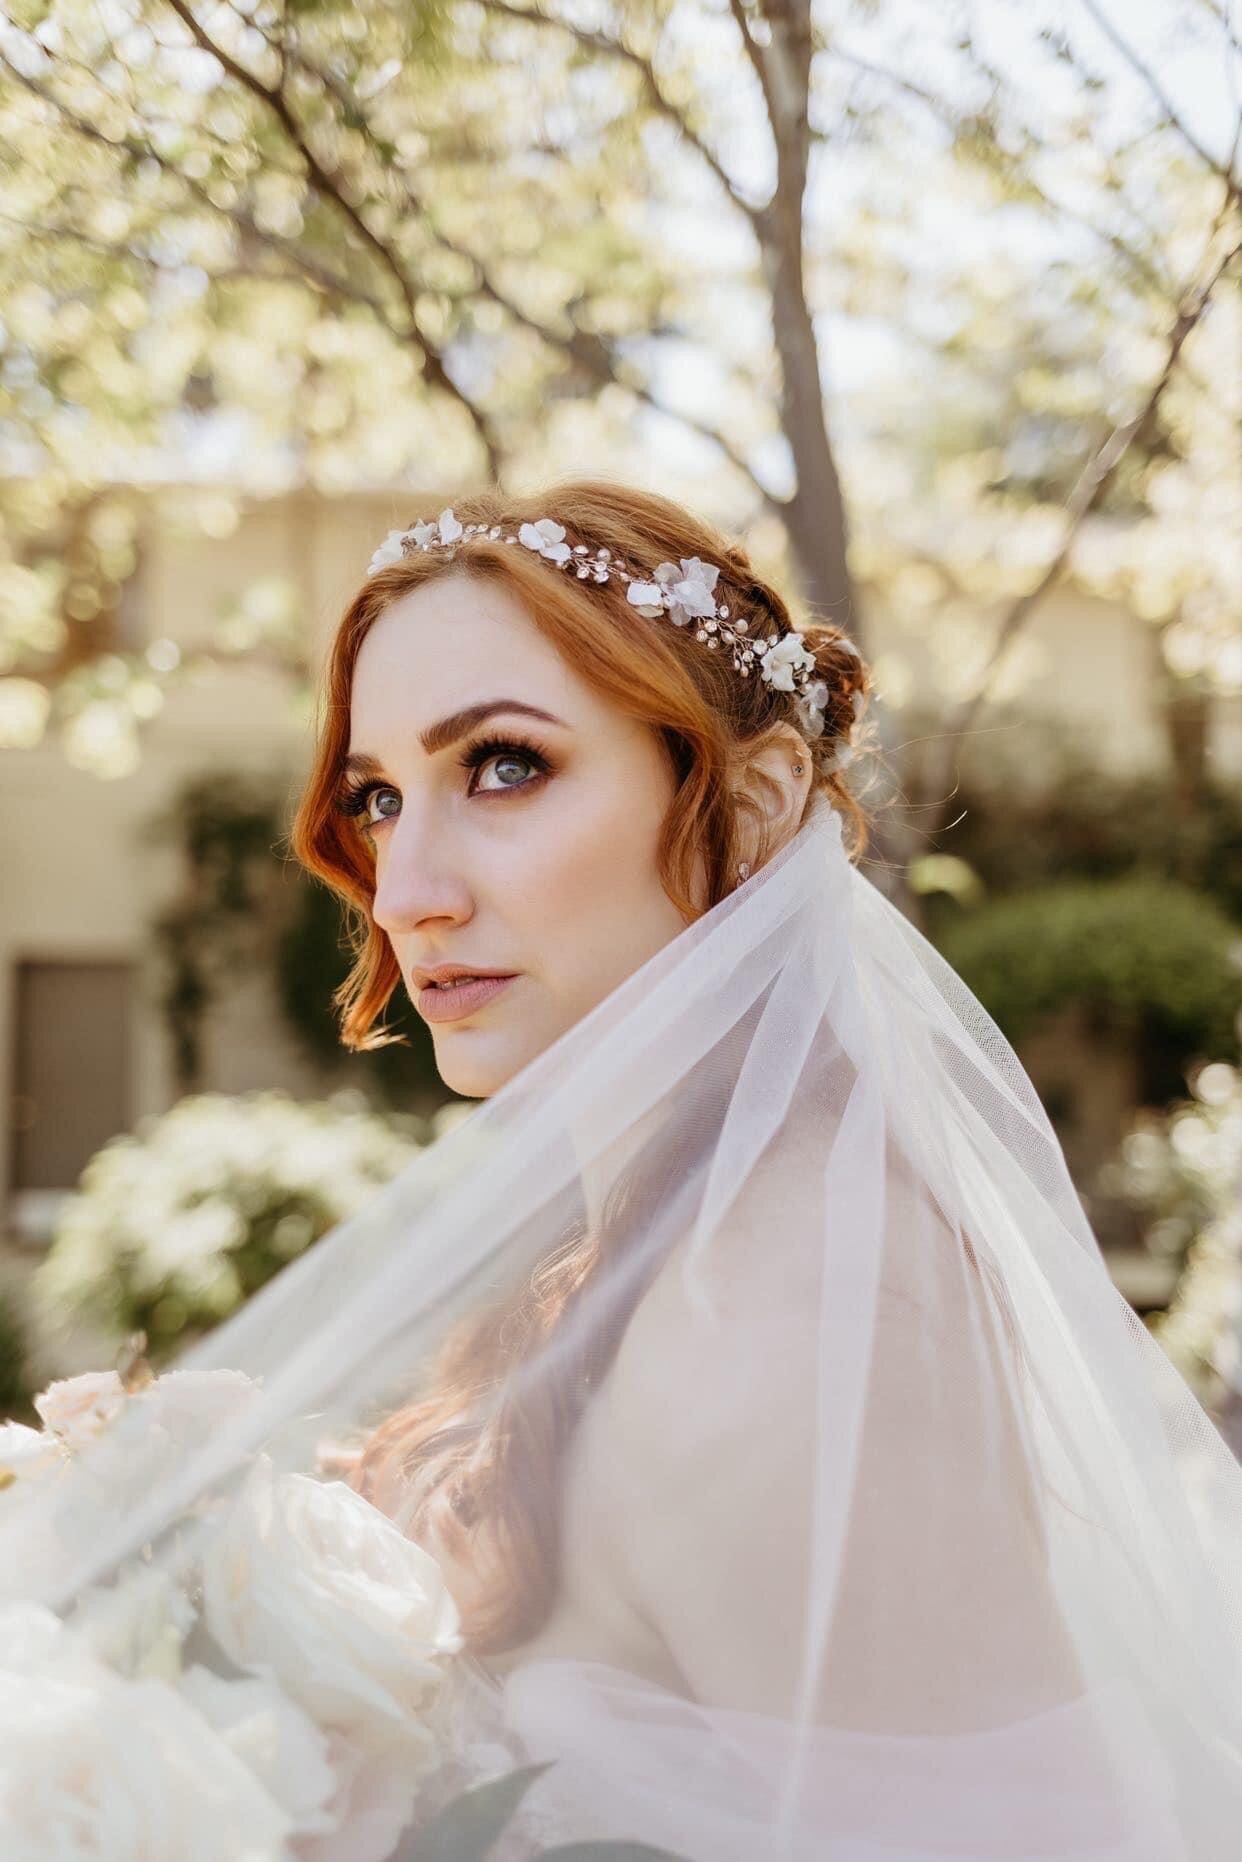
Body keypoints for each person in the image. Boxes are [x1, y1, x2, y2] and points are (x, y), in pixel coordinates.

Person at [5, 479, 1240, 1860]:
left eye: (503, 765)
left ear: (756, 804)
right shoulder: (632, 1254)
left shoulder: (787, 1317)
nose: (405, 884)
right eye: (376, 794)